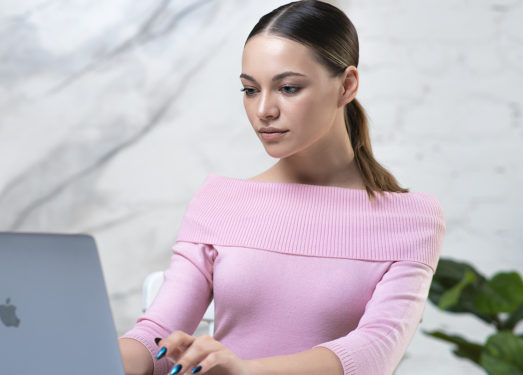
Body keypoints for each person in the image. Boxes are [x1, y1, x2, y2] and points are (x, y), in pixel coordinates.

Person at [117, 1, 446, 374]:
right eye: (250, 90)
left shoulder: (410, 219)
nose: (264, 110)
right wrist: (85, 353)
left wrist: (244, 370)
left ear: (347, 86)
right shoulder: (220, 201)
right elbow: (158, 334)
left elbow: (372, 352)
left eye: (288, 88)